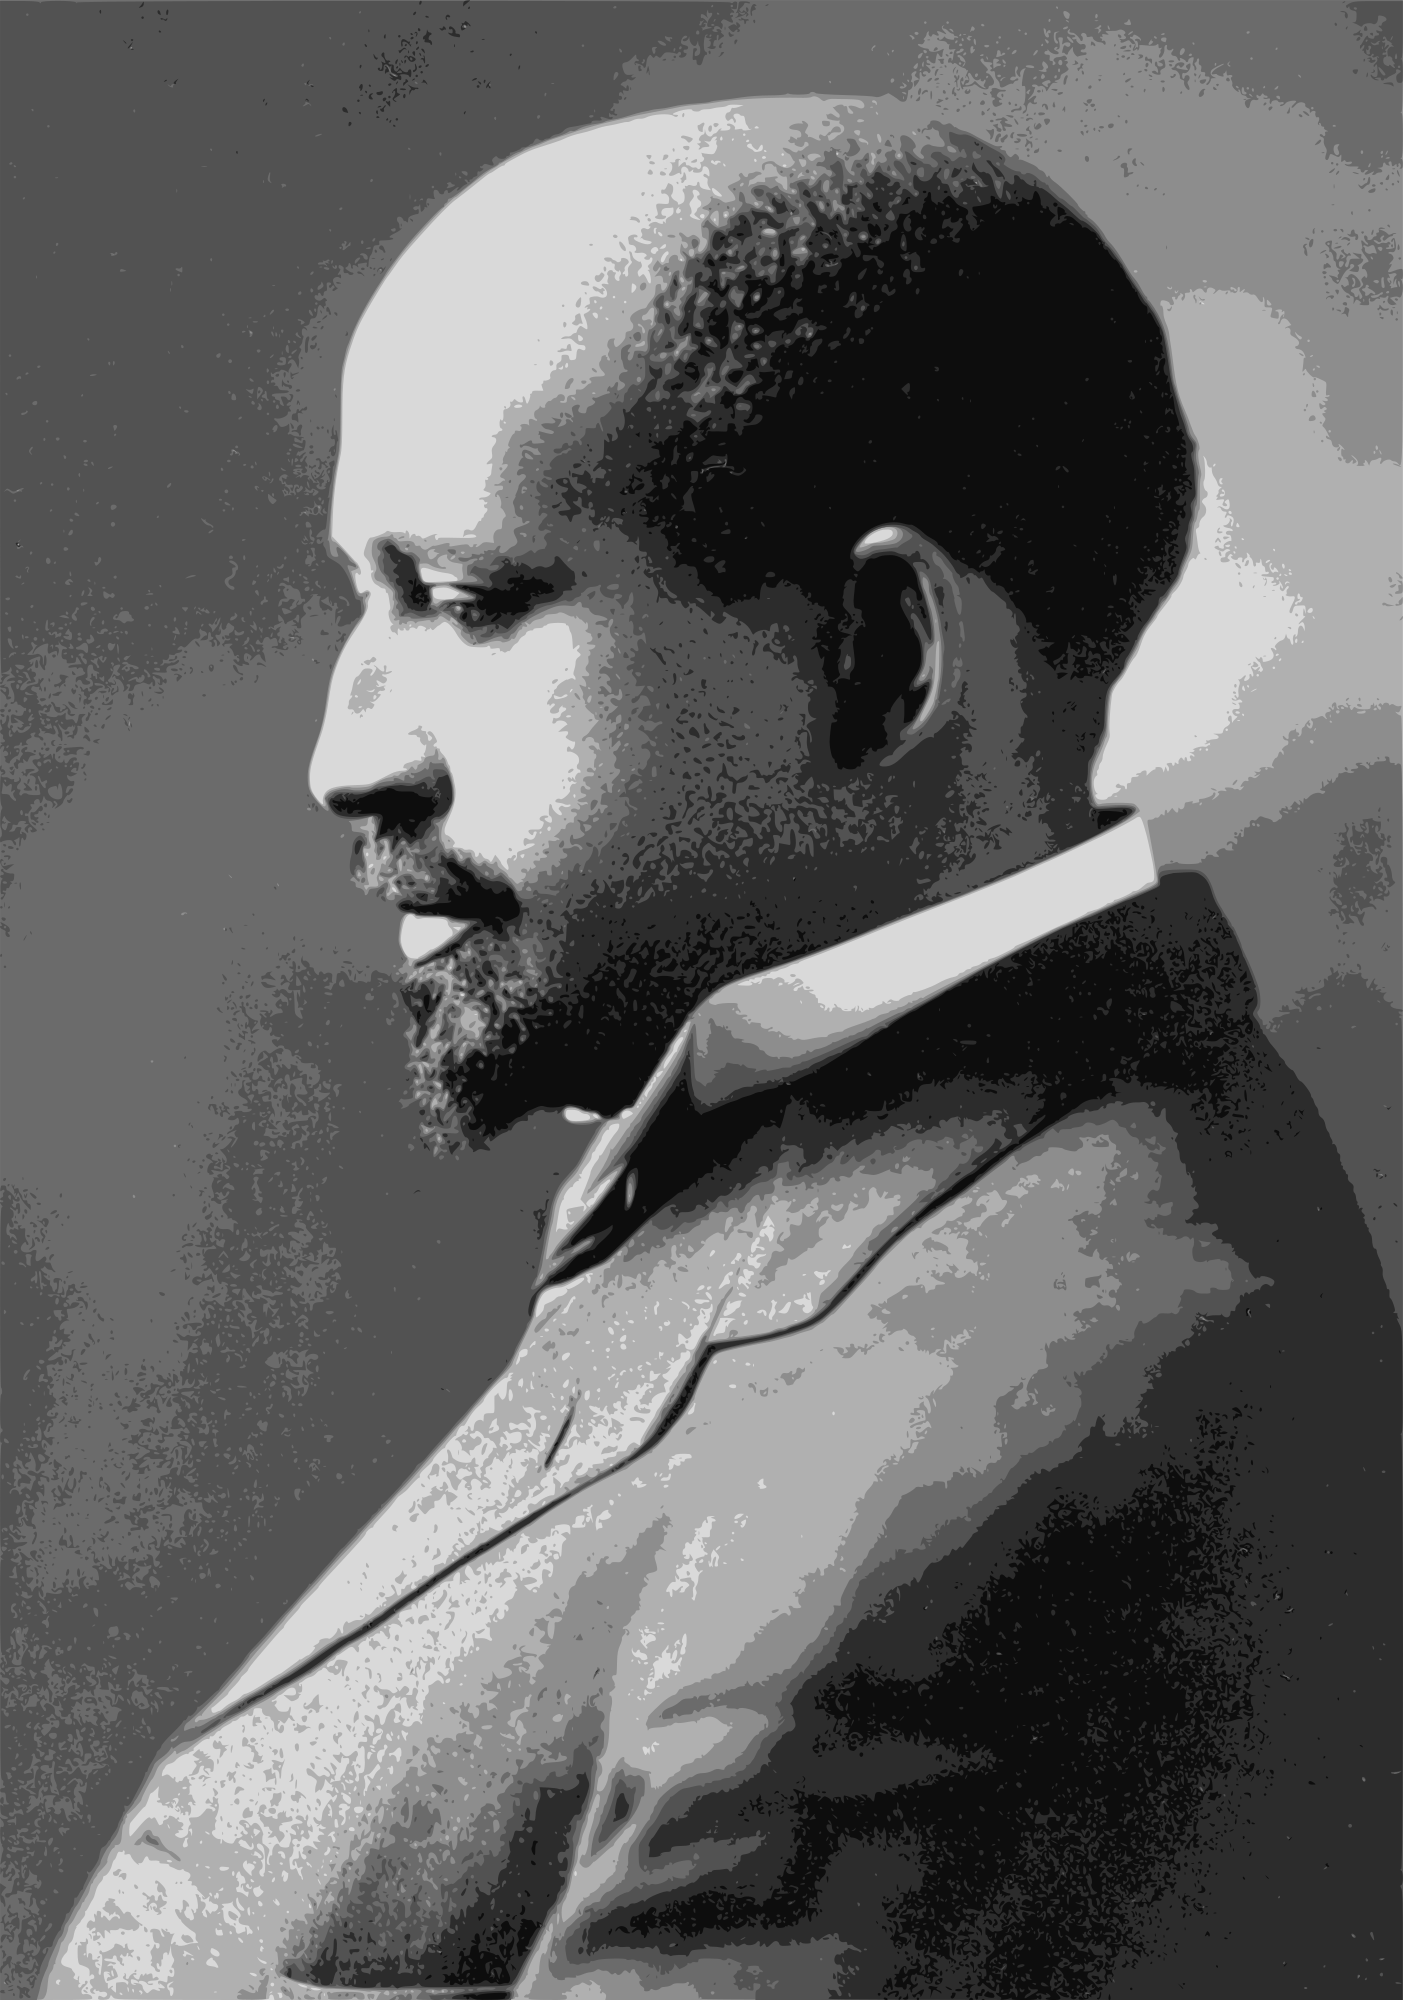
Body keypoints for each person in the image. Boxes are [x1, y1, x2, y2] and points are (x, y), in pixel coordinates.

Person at [44, 97, 1396, 2000]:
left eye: (470, 602)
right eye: (367, 594)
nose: (346, 754)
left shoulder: (1009, 1434)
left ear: (880, 658)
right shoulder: (840, 1203)